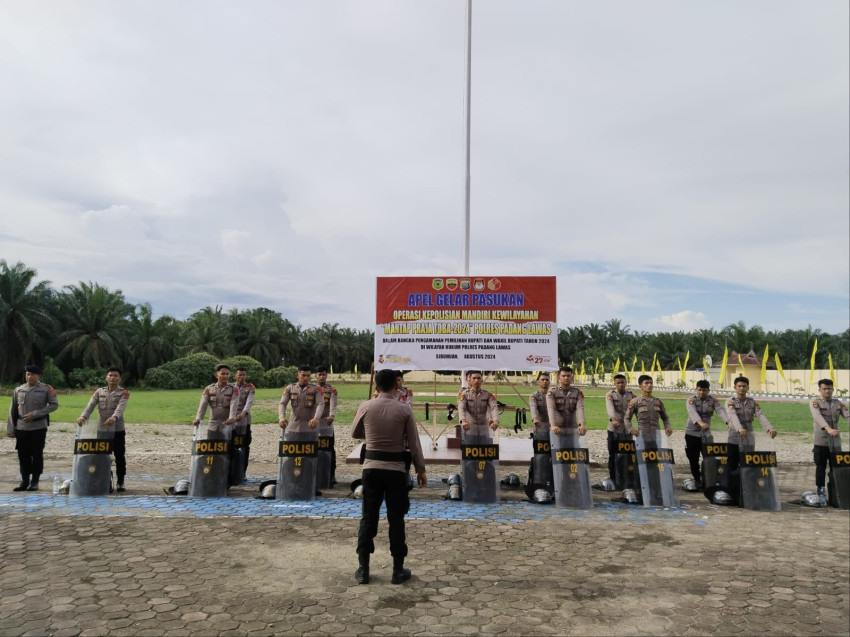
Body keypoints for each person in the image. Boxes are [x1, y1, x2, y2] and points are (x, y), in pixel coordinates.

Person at [351, 369, 427, 585]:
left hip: (371, 469)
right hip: (396, 470)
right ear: (396, 386)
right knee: (396, 519)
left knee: (368, 517)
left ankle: (363, 569)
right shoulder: (404, 409)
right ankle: (397, 570)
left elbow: (355, 433)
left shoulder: (366, 406)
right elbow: (414, 444)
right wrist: (421, 470)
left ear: (376, 387)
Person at [77, 366, 131, 491]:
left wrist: (114, 417)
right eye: (110, 375)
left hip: (117, 429)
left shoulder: (124, 392)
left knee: (119, 456)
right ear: (106, 378)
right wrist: (83, 416)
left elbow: (121, 408)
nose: (113, 378)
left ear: (120, 378)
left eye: (115, 375)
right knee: (102, 456)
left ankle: (121, 481)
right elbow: (90, 406)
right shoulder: (99, 392)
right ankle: (105, 480)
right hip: (102, 429)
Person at [6, 364, 59, 491]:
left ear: (38, 376)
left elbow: (54, 405)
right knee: (23, 455)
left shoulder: (46, 389)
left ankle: (35, 481)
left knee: (37, 454)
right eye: (27, 374)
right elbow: (12, 410)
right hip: (22, 428)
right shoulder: (19, 390)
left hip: (38, 427)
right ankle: (24, 481)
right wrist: (11, 429)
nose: (29, 377)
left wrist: (36, 414)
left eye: (32, 374)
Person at [725, 376, 777, 504]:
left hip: (749, 439)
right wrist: (739, 429)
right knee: (732, 467)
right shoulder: (730, 402)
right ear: (735, 388)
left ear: (748, 387)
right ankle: (731, 494)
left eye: (744, 386)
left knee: (748, 466)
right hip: (734, 439)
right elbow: (733, 416)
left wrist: (769, 428)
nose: (742, 388)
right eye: (739, 386)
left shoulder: (752, 402)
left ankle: (747, 491)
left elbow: (760, 415)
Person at [810, 379, 849, 506]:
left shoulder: (838, 404)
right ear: (820, 390)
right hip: (821, 440)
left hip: (835, 442)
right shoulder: (815, 402)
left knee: (836, 467)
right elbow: (818, 417)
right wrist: (828, 428)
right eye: (824, 388)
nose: (827, 391)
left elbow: (848, 416)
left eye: (829, 388)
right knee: (820, 466)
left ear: (833, 389)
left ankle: (836, 490)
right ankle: (820, 490)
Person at [684, 379, 728, 490]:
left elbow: (720, 411)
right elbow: (692, 413)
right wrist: (701, 423)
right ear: (696, 389)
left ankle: (709, 480)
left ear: (708, 390)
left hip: (706, 435)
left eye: (704, 390)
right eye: (699, 390)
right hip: (692, 433)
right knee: (693, 459)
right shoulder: (691, 400)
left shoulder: (713, 400)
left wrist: (728, 421)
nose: (701, 392)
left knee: (709, 458)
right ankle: (697, 480)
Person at [605, 374, 637, 481]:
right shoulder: (610, 395)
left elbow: (638, 409)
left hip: (627, 429)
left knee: (628, 454)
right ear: (614, 383)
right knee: (613, 453)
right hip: (614, 429)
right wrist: (613, 419)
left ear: (626, 383)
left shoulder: (632, 395)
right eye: (618, 383)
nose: (620, 385)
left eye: (622, 382)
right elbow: (610, 409)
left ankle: (628, 476)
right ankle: (613, 477)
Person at [625, 375, 673, 439]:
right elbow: (627, 418)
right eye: (646, 383)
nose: (649, 385)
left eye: (651, 383)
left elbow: (665, 417)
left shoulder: (658, 402)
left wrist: (668, 427)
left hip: (657, 436)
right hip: (642, 436)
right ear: (640, 386)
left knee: (657, 449)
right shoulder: (635, 402)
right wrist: (631, 430)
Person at [278, 365, 324, 433]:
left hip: (311, 427)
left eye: (308, 376)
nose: (306, 378)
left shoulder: (316, 388)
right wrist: (281, 417)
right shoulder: (290, 388)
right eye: (303, 375)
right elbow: (282, 403)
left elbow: (320, 404)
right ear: (297, 375)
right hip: (293, 426)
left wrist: (316, 418)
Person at [192, 364, 240, 429]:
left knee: (228, 439)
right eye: (222, 374)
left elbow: (234, 404)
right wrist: (198, 419)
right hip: (213, 424)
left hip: (228, 424)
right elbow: (203, 404)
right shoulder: (209, 389)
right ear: (217, 375)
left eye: (227, 374)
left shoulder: (234, 389)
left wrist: (231, 418)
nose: (225, 376)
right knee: (211, 439)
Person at [546, 367, 587, 436]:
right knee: (557, 446)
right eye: (563, 376)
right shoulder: (552, 392)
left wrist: (582, 424)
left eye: (568, 376)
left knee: (575, 447)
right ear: (559, 378)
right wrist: (553, 425)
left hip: (573, 428)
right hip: (557, 429)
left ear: (572, 377)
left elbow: (580, 409)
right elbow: (551, 409)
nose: (566, 378)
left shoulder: (577, 392)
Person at [316, 365, 338, 485]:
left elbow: (333, 404)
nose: (322, 377)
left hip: (326, 423)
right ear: (316, 376)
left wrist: (332, 416)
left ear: (326, 376)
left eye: (324, 374)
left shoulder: (331, 390)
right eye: (319, 374)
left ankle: (331, 475)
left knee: (329, 449)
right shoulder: (312, 388)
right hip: (313, 424)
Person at [458, 371, 499, 435]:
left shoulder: (487, 394)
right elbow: (461, 408)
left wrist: (496, 420)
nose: (476, 380)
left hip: (484, 428)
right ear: (470, 380)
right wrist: (463, 421)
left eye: (479, 378)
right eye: (474, 378)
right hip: (469, 428)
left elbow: (493, 407)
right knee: (469, 444)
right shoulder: (465, 394)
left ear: (482, 380)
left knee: (486, 444)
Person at [233, 367, 256, 475]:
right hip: (231, 421)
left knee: (244, 446)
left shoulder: (250, 387)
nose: (242, 377)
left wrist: (243, 413)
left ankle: (242, 472)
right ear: (235, 376)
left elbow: (249, 402)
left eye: (243, 375)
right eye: (240, 375)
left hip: (244, 421)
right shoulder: (230, 387)